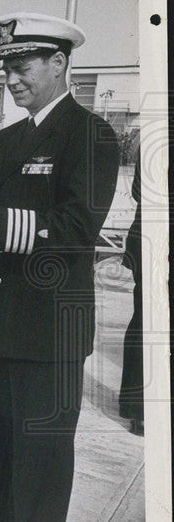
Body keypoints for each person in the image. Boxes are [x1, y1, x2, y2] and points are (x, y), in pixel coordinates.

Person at [0, 12, 119, 522]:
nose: (12, 79)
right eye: (7, 68)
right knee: (4, 446)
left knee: (42, 457)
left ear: (59, 63)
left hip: (47, 328)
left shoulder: (90, 134)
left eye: (24, 66)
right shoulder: (9, 138)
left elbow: (76, 229)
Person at [118, 158, 143, 435]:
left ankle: (137, 406)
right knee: (147, 320)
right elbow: (141, 191)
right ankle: (139, 408)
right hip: (154, 238)